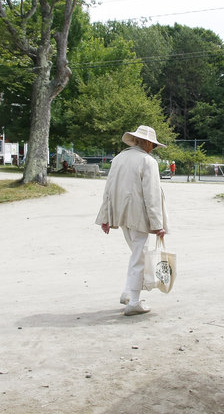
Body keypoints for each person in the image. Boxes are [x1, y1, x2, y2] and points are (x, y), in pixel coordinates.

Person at [96, 125, 169, 316]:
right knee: (140, 256)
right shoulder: (147, 161)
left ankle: (128, 292)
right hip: (138, 215)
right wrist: (158, 224)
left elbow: (108, 189)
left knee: (137, 253)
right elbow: (151, 195)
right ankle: (134, 301)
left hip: (122, 214)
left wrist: (105, 216)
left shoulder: (119, 158)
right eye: (152, 144)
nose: (152, 148)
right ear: (146, 142)